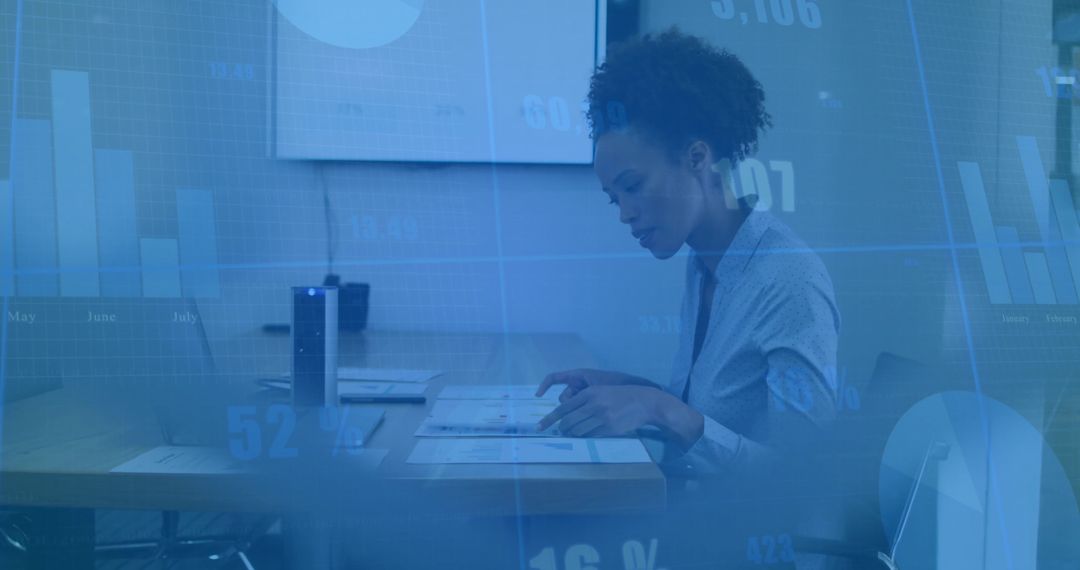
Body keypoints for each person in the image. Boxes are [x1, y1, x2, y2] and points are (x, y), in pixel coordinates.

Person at [537, 30, 841, 475]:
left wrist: (657, 408)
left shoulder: (789, 278)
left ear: (697, 158)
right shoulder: (704, 263)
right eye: (613, 198)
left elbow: (803, 479)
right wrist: (632, 392)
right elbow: (715, 416)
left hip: (745, 540)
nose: (624, 214)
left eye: (633, 187)